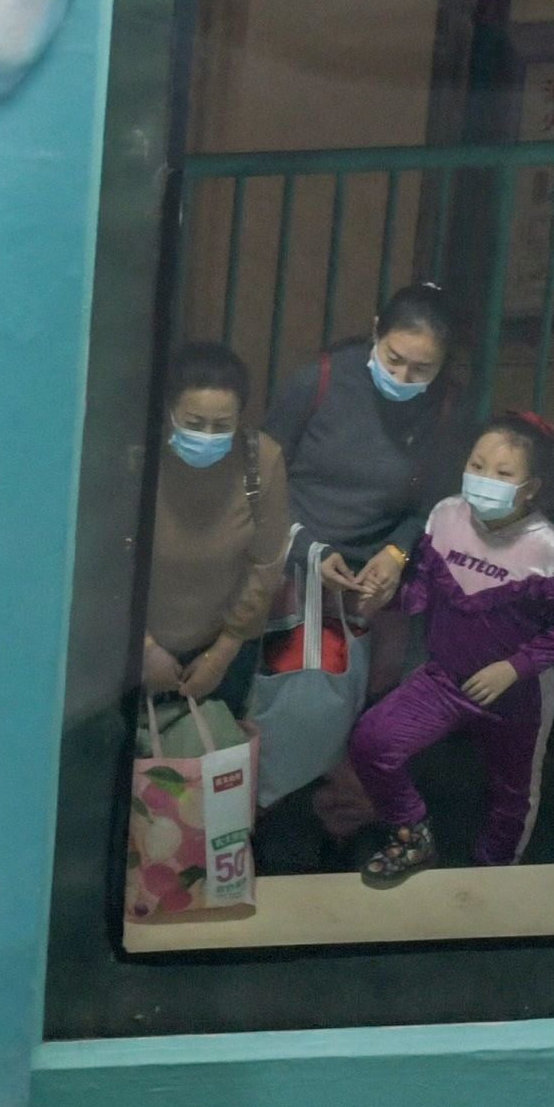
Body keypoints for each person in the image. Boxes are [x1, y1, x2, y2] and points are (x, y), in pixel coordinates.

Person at [259, 284, 478, 832]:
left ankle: (345, 815)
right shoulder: (319, 382)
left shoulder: (447, 406)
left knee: (378, 704)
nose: (403, 380)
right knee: (297, 693)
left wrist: (396, 553)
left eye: (420, 370)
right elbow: (259, 479)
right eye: (394, 360)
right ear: (376, 330)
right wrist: (308, 548)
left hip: (380, 573)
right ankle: (250, 810)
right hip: (299, 558)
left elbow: (434, 502)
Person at [350, 411, 554, 887]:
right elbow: (421, 588)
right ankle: (412, 836)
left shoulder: (549, 553)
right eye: (477, 465)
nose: (483, 481)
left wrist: (513, 668)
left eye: (503, 474)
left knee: (512, 792)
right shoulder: (445, 516)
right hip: (444, 679)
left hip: (514, 699)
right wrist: (386, 598)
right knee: (372, 742)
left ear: (531, 487)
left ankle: (496, 869)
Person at [136, 341, 326, 808]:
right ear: (168, 413)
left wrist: (222, 653)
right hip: (136, 642)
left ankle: (211, 862)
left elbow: (266, 563)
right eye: (194, 423)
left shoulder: (261, 461)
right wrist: (142, 648)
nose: (207, 435)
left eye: (222, 426)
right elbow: (108, 567)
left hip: (225, 642)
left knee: (215, 773)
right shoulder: (135, 458)